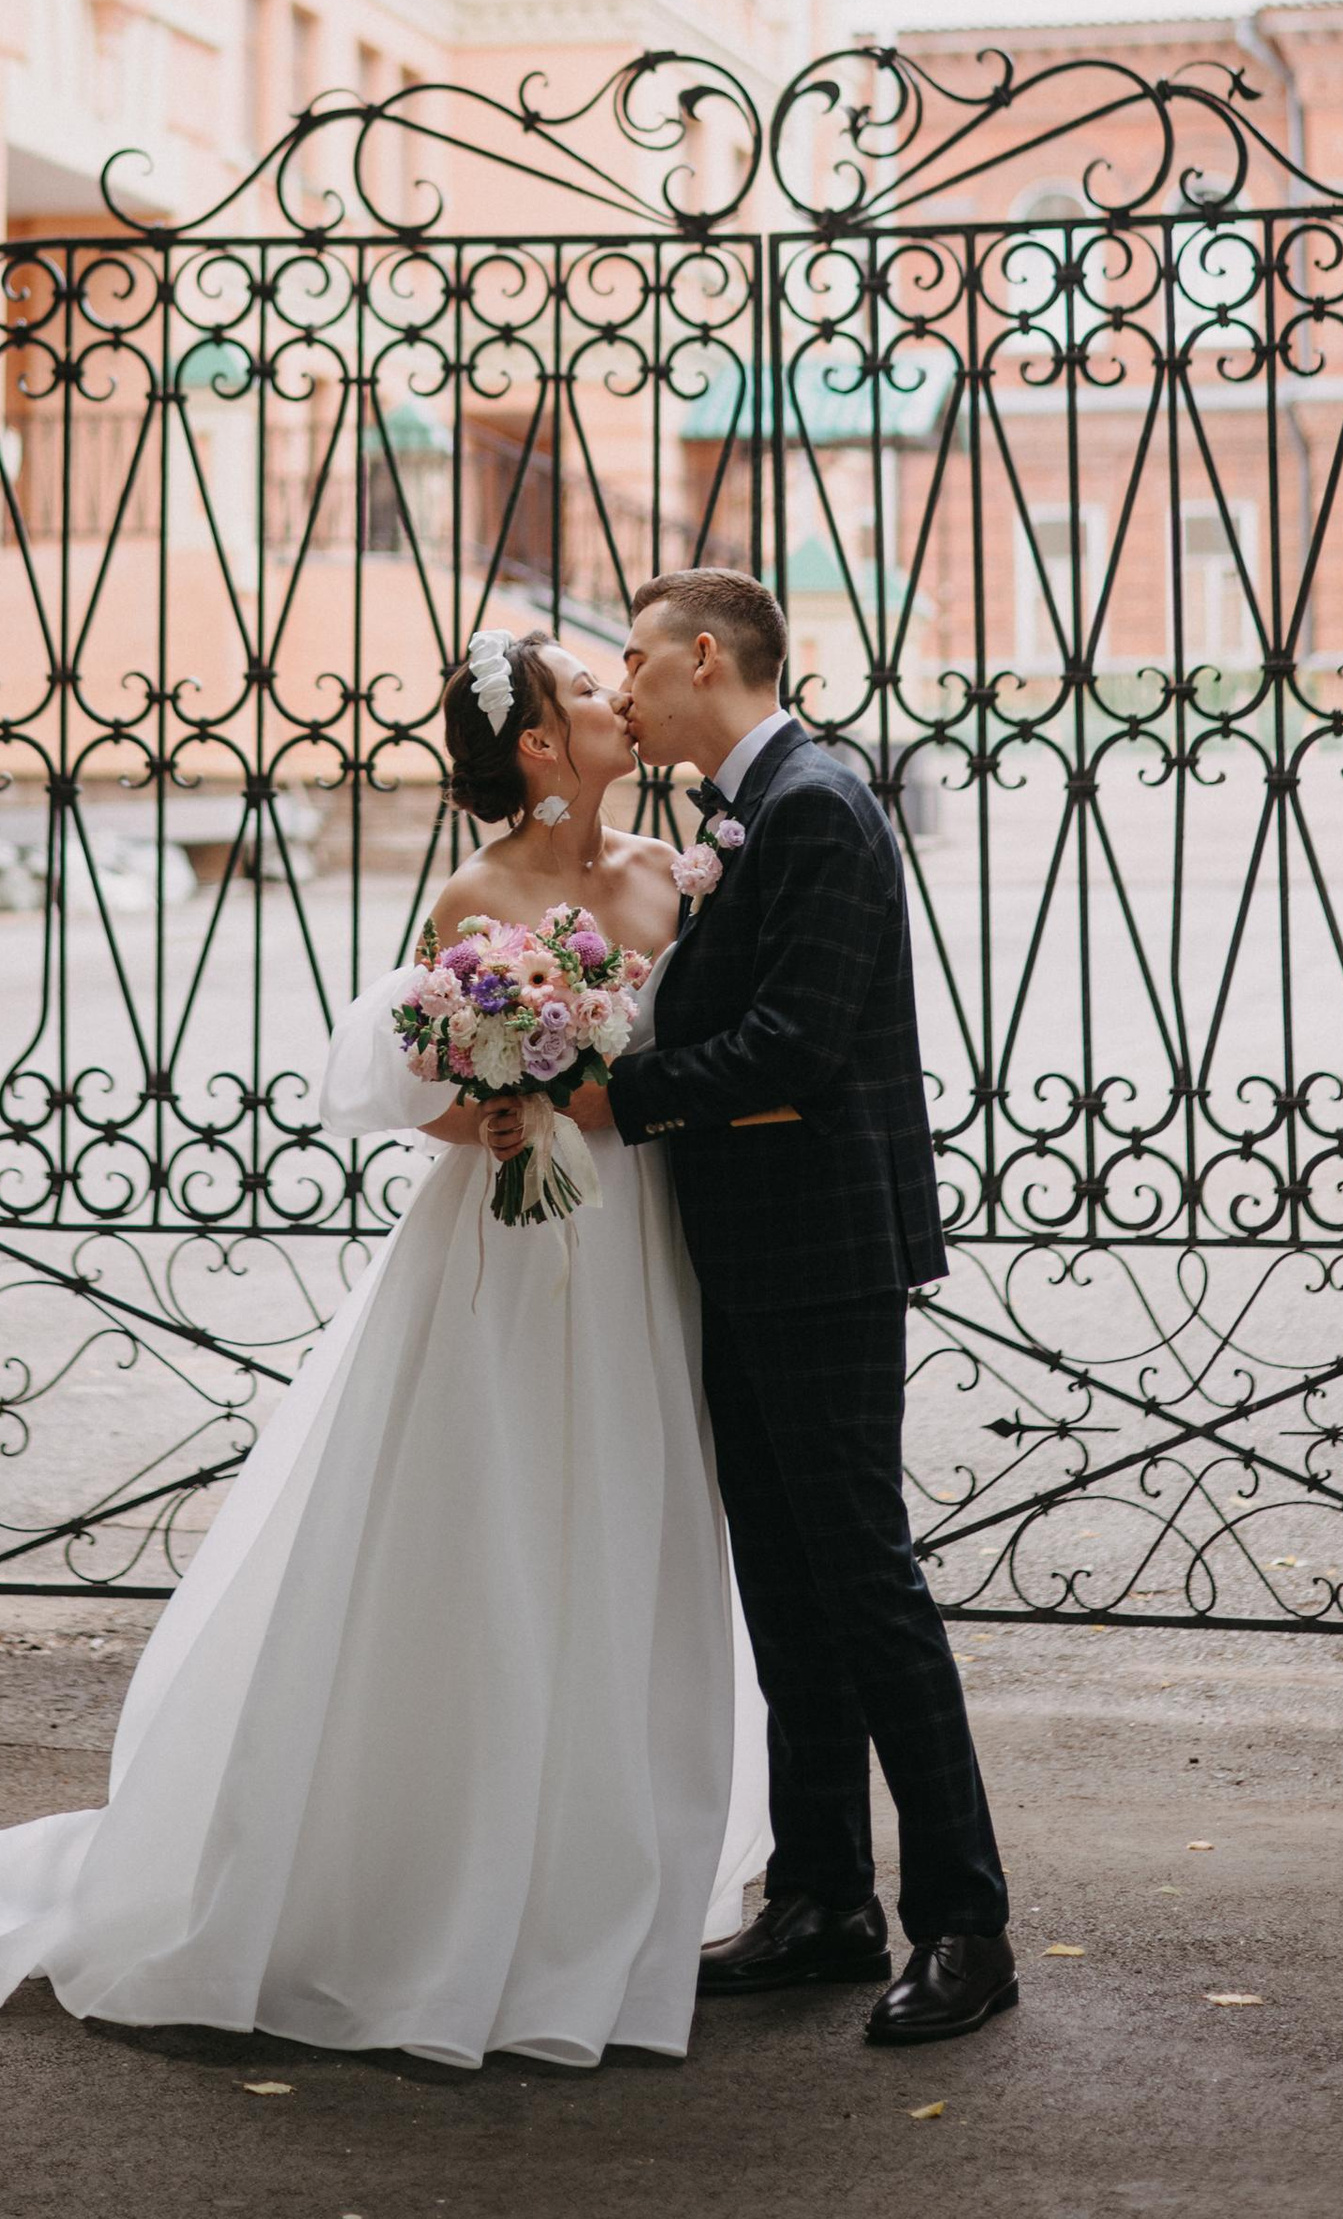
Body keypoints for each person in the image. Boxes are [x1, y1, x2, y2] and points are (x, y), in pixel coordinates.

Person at [0, 631, 768, 2070]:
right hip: (504, 1251)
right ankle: (439, 1877)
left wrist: (604, 1093)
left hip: (638, 1244)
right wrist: (511, 1110)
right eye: (588, 690)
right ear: (541, 745)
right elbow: (426, 1086)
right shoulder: (475, 896)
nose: (617, 698)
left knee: (627, 1519)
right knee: (487, 1529)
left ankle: (603, 1871)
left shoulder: (674, 874)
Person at [500, 566, 1015, 2049]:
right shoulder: (744, 812)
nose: (623, 685)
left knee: (865, 1582)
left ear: (706, 658)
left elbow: (796, 1043)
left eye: (637, 658)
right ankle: (825, 1897)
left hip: (823, 1252)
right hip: (747, 1248)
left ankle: (968, 1923)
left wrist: (613, 1097)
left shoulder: (815, 807)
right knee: (787, 1591)